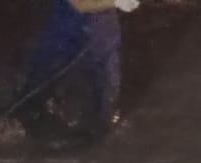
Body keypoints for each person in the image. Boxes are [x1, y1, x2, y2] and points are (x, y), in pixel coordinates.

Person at [23, 0, 137, 144]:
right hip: (72, 32)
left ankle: (100, 126)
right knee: (51, 78)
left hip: (100, 32)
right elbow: (80, 4)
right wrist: (116, 2)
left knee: (106, 86)